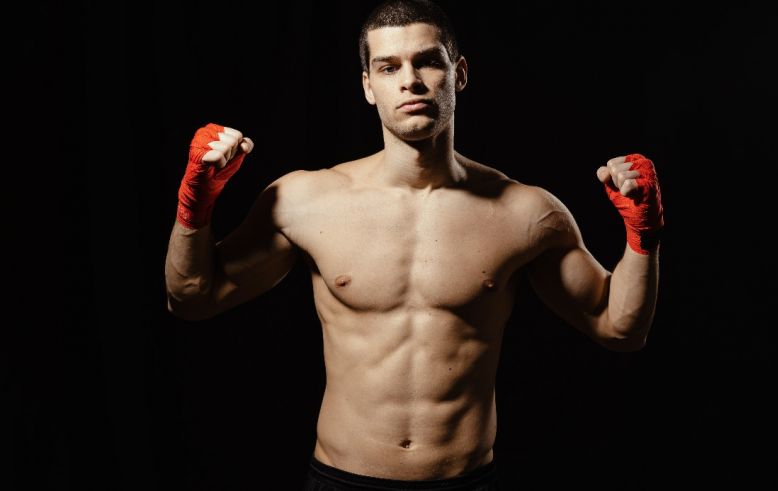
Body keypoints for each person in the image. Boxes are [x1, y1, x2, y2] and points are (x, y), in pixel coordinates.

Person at [164, 0, 664, 489]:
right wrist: (195, 209)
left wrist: (643, 238)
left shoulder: (526, 212)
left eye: (428, 61)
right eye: (388, 67)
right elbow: (191, 299)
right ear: (368, 86)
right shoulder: (304, 201)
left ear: (459, 73)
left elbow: (620, 328)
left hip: (465, 481)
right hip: (343, 479)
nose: (410, 80)